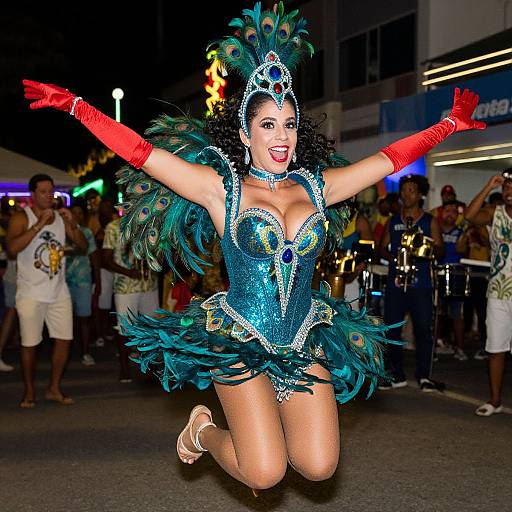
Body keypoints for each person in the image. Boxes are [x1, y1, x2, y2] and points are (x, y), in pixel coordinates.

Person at [23, 2, 485, 491]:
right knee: (264, 472)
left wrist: (447, 126)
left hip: (303, 335)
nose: (282, 137)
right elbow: (142, 151)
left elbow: (387, 160)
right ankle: (202, 430)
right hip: (238, 337)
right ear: (245, 133)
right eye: (268, 125)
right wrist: (76, 106)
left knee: (319, 465)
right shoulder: (220, 189)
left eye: (289, 124)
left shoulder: (316, 187)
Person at [6, 174, 86, 408]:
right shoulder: (22, 218)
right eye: (43, 192)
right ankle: (29, 391)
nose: (49, 195)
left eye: (51, 191)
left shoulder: (61, 218)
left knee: (64, 340)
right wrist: (39, 224)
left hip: (59, 290)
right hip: (30, 292)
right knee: (30, 343)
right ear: (32, 195)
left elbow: (83, 246)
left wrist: (72, 224)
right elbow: (12, 249)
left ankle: (54, 388)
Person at [378, 174, 445, 391]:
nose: (406, 194)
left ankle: (424, 375)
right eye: (404, 190)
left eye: (411, 190)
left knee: (423, 330)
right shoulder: (393, 220)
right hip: (396, 282)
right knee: (392, 329)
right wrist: (395, 259)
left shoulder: (428, 221)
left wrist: (426, 249)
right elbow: (382, 248)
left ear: (421, 194)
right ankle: (396, 374)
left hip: (421, 284)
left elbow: (440, 249)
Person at [464, 172, 512, 416]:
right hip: (499, 291)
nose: (508, 191)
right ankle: (495, 400)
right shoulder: (495, 212)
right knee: (496, 347)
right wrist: (488, 186)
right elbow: (469, 216)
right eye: (506, 187)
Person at [102, 213, 159, 382]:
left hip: (150, 285)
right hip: (125, 287)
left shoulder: (151, 224)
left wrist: (154, 265)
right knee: (124, 329)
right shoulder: (114, 226)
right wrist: (128, 272)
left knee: (153, 326)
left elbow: (159, 252)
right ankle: (124, 369)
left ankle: (152, 366)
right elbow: (105, 259)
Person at [65, 200, 100, 366]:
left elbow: (94, 258)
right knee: (66, 319)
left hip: (83, 281)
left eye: (80, 213)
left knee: (84, 319)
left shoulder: (86, 232)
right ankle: (65, 352)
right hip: (63, 282)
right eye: (74, 213)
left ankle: (86, 352)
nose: (77, 216)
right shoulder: (61, 231)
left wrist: (98, 282)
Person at [436, 200, 466, 360]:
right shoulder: (435, 231)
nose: (450, 214)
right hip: (438, 274)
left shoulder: (461, 232)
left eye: (454, 211)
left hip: (456, 275)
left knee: (456, 313)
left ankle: (460, 347)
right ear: (442, 213)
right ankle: (435, 346)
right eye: (447, 210)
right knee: (437, 312)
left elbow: (463, 250)